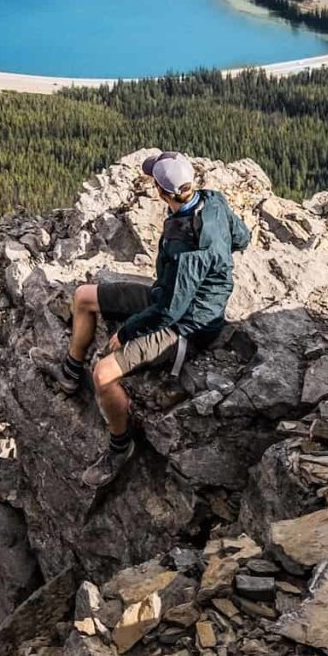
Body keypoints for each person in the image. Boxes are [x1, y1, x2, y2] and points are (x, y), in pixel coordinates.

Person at [58, 153, 240, 470]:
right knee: (84, 297)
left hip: (188, 324)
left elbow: (171, 310)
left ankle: (120, 446)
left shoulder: (187, 244)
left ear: (161, 191)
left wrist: (127, 331)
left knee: (103, 374)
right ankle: (69, 372)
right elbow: (242, 237)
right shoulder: (214, 200)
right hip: (167, 293)